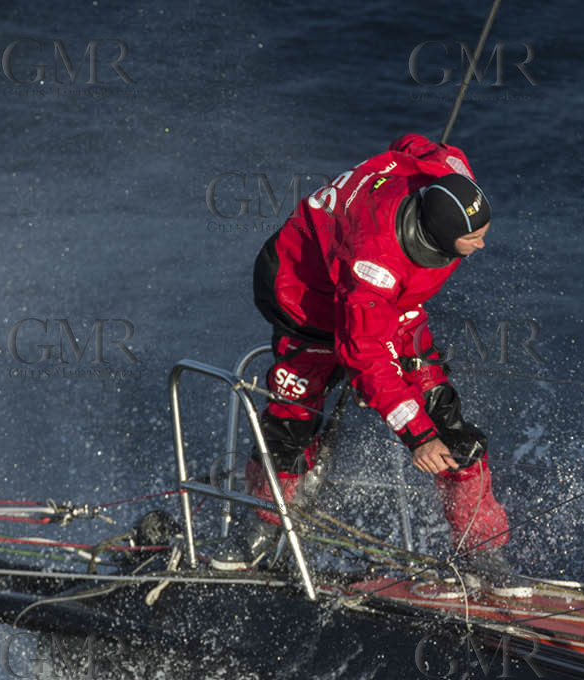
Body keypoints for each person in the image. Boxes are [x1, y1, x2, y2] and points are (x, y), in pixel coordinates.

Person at [213, 133, 528, 596]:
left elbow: (415, 144)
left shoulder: (450, 172)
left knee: (447, 420)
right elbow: (365, 355)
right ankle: (263, 524)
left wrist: (431, 427)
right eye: (473, 238)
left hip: (394, 308)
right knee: (292, 420)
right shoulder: (373, 263)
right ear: (439, 234)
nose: (482, 245)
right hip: (303, 299)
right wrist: (416, 436)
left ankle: (481, 550)